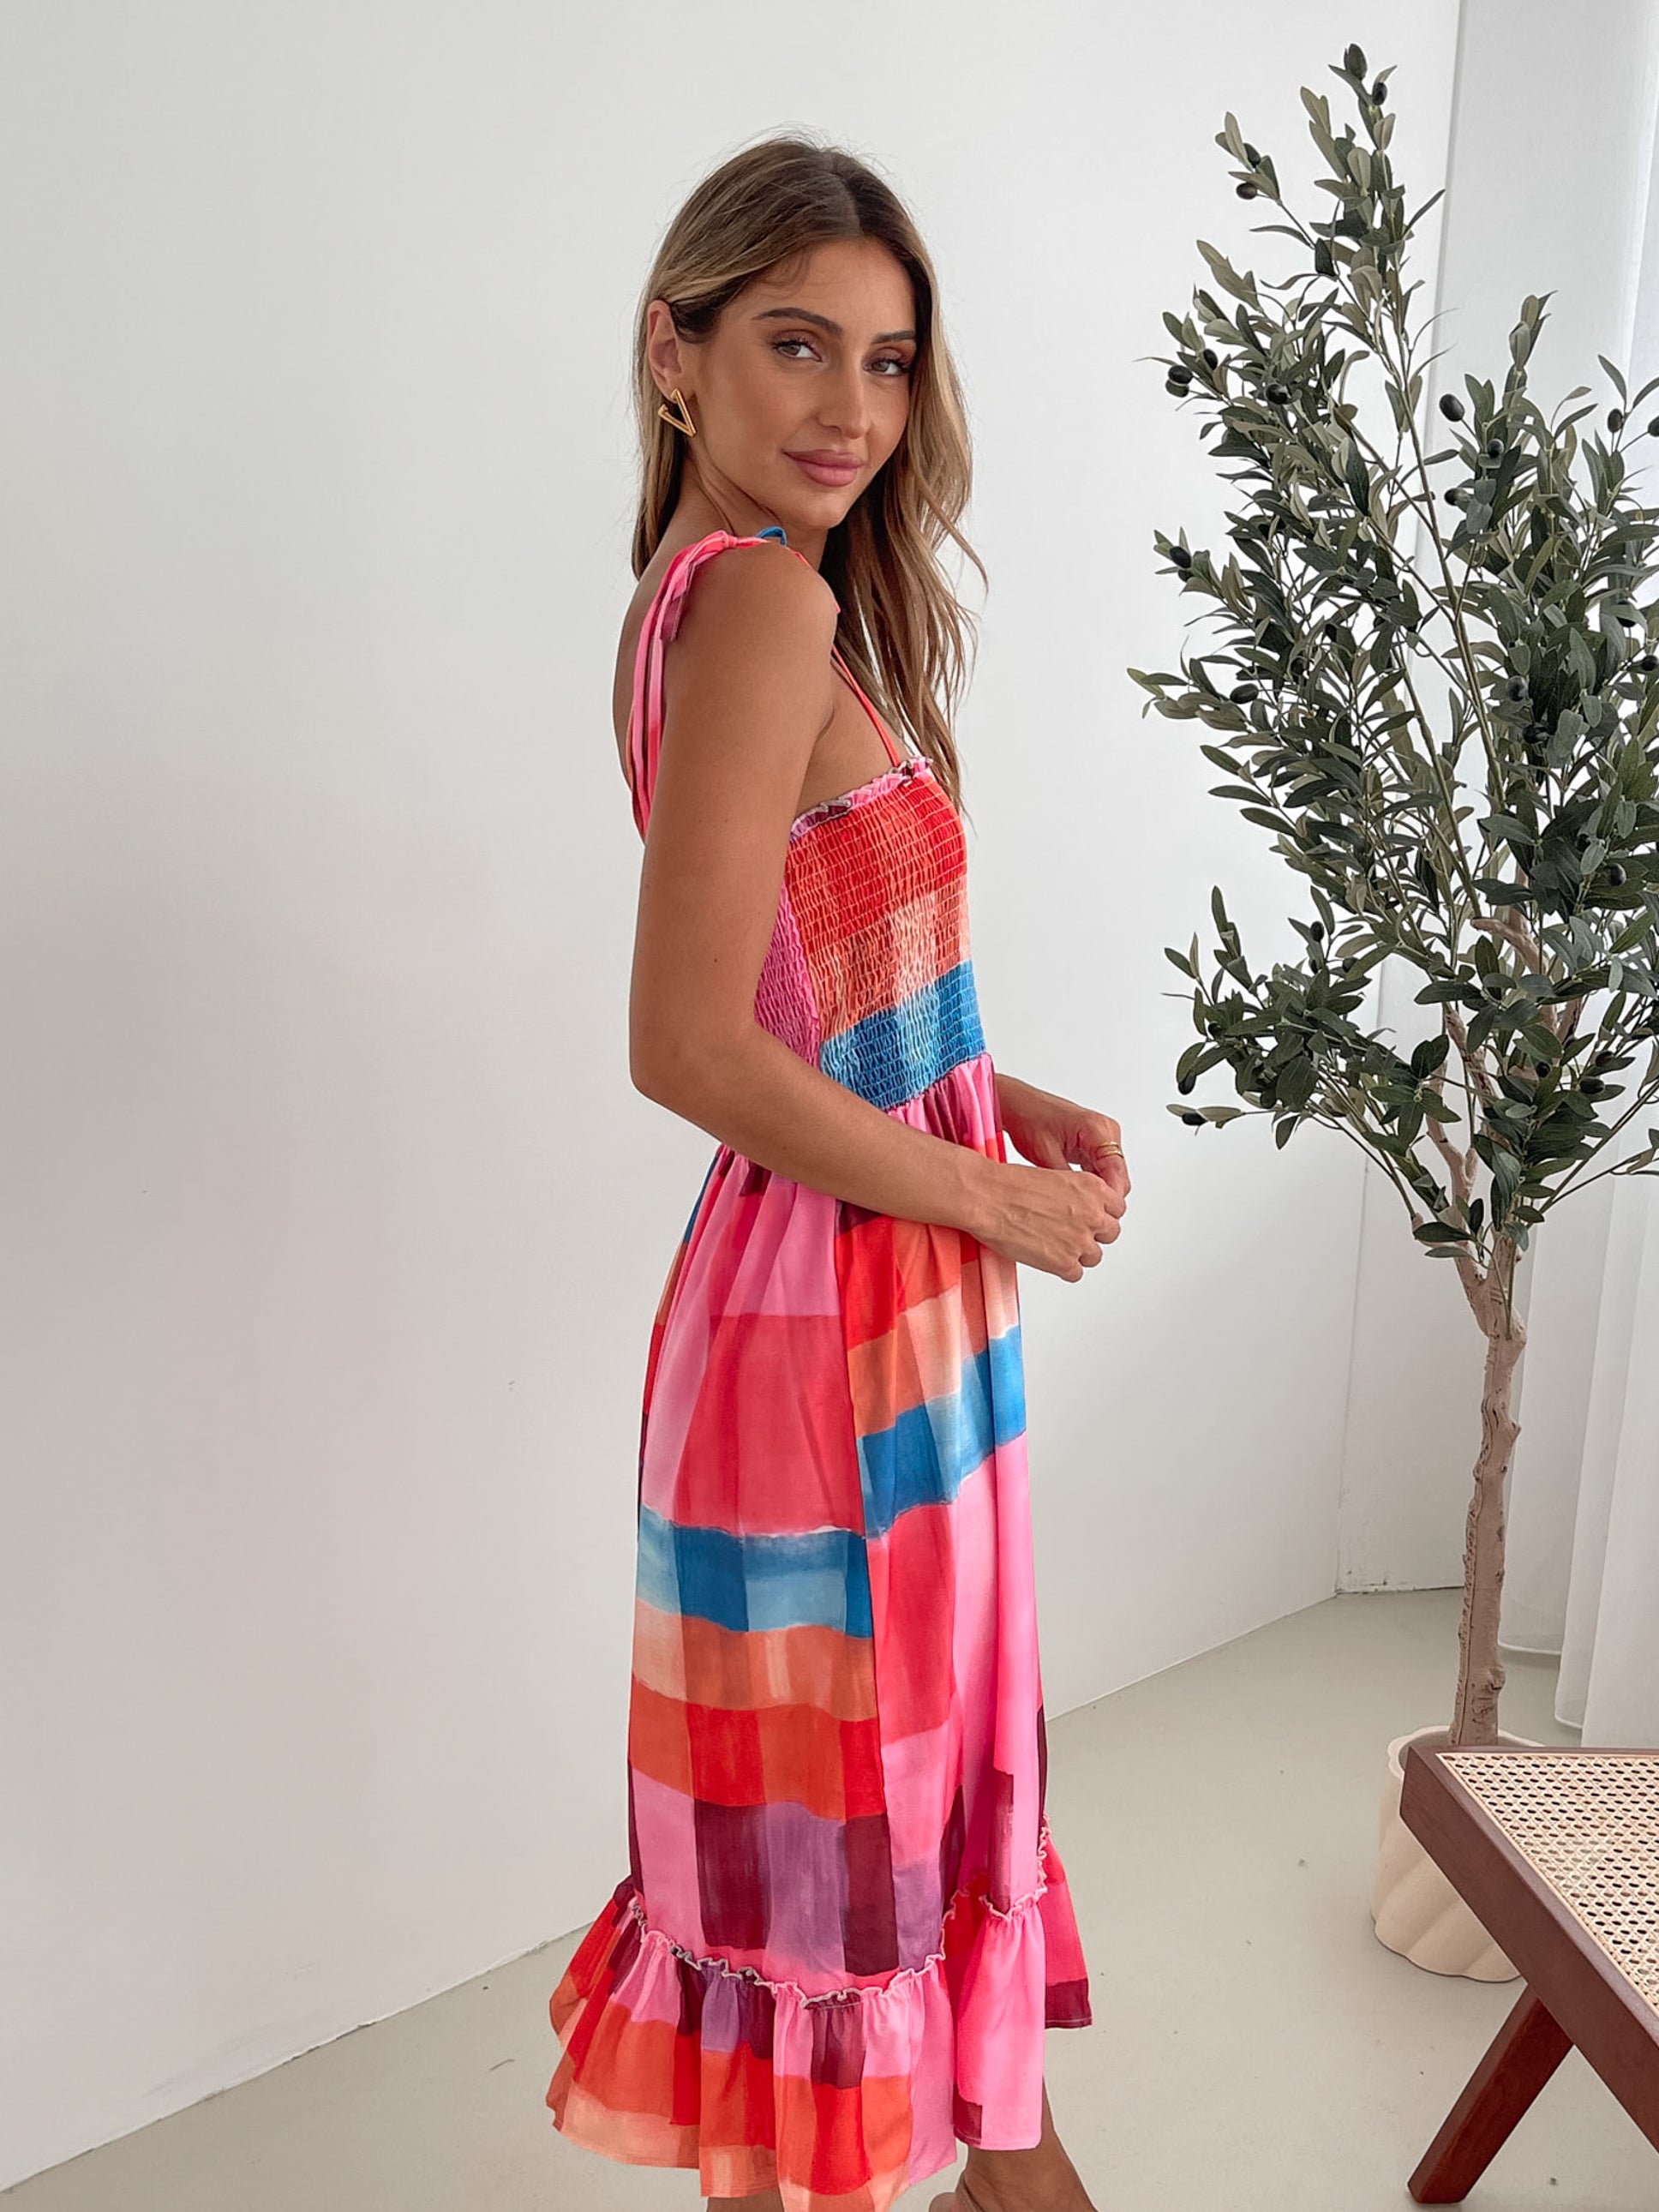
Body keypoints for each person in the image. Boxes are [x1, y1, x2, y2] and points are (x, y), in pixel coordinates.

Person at [546, 135, 1129, 2212]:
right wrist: (979, 1195)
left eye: (886, 362)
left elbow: (801, 996)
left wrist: (1001, 1094)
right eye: (796, 344)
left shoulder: (731, 609)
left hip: (862, 1304)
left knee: (896, 1872)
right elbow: (683, 1045)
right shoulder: (761, 602)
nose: (848, 411)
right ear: (673, 353)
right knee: (854, 1886)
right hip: (839, 1349)